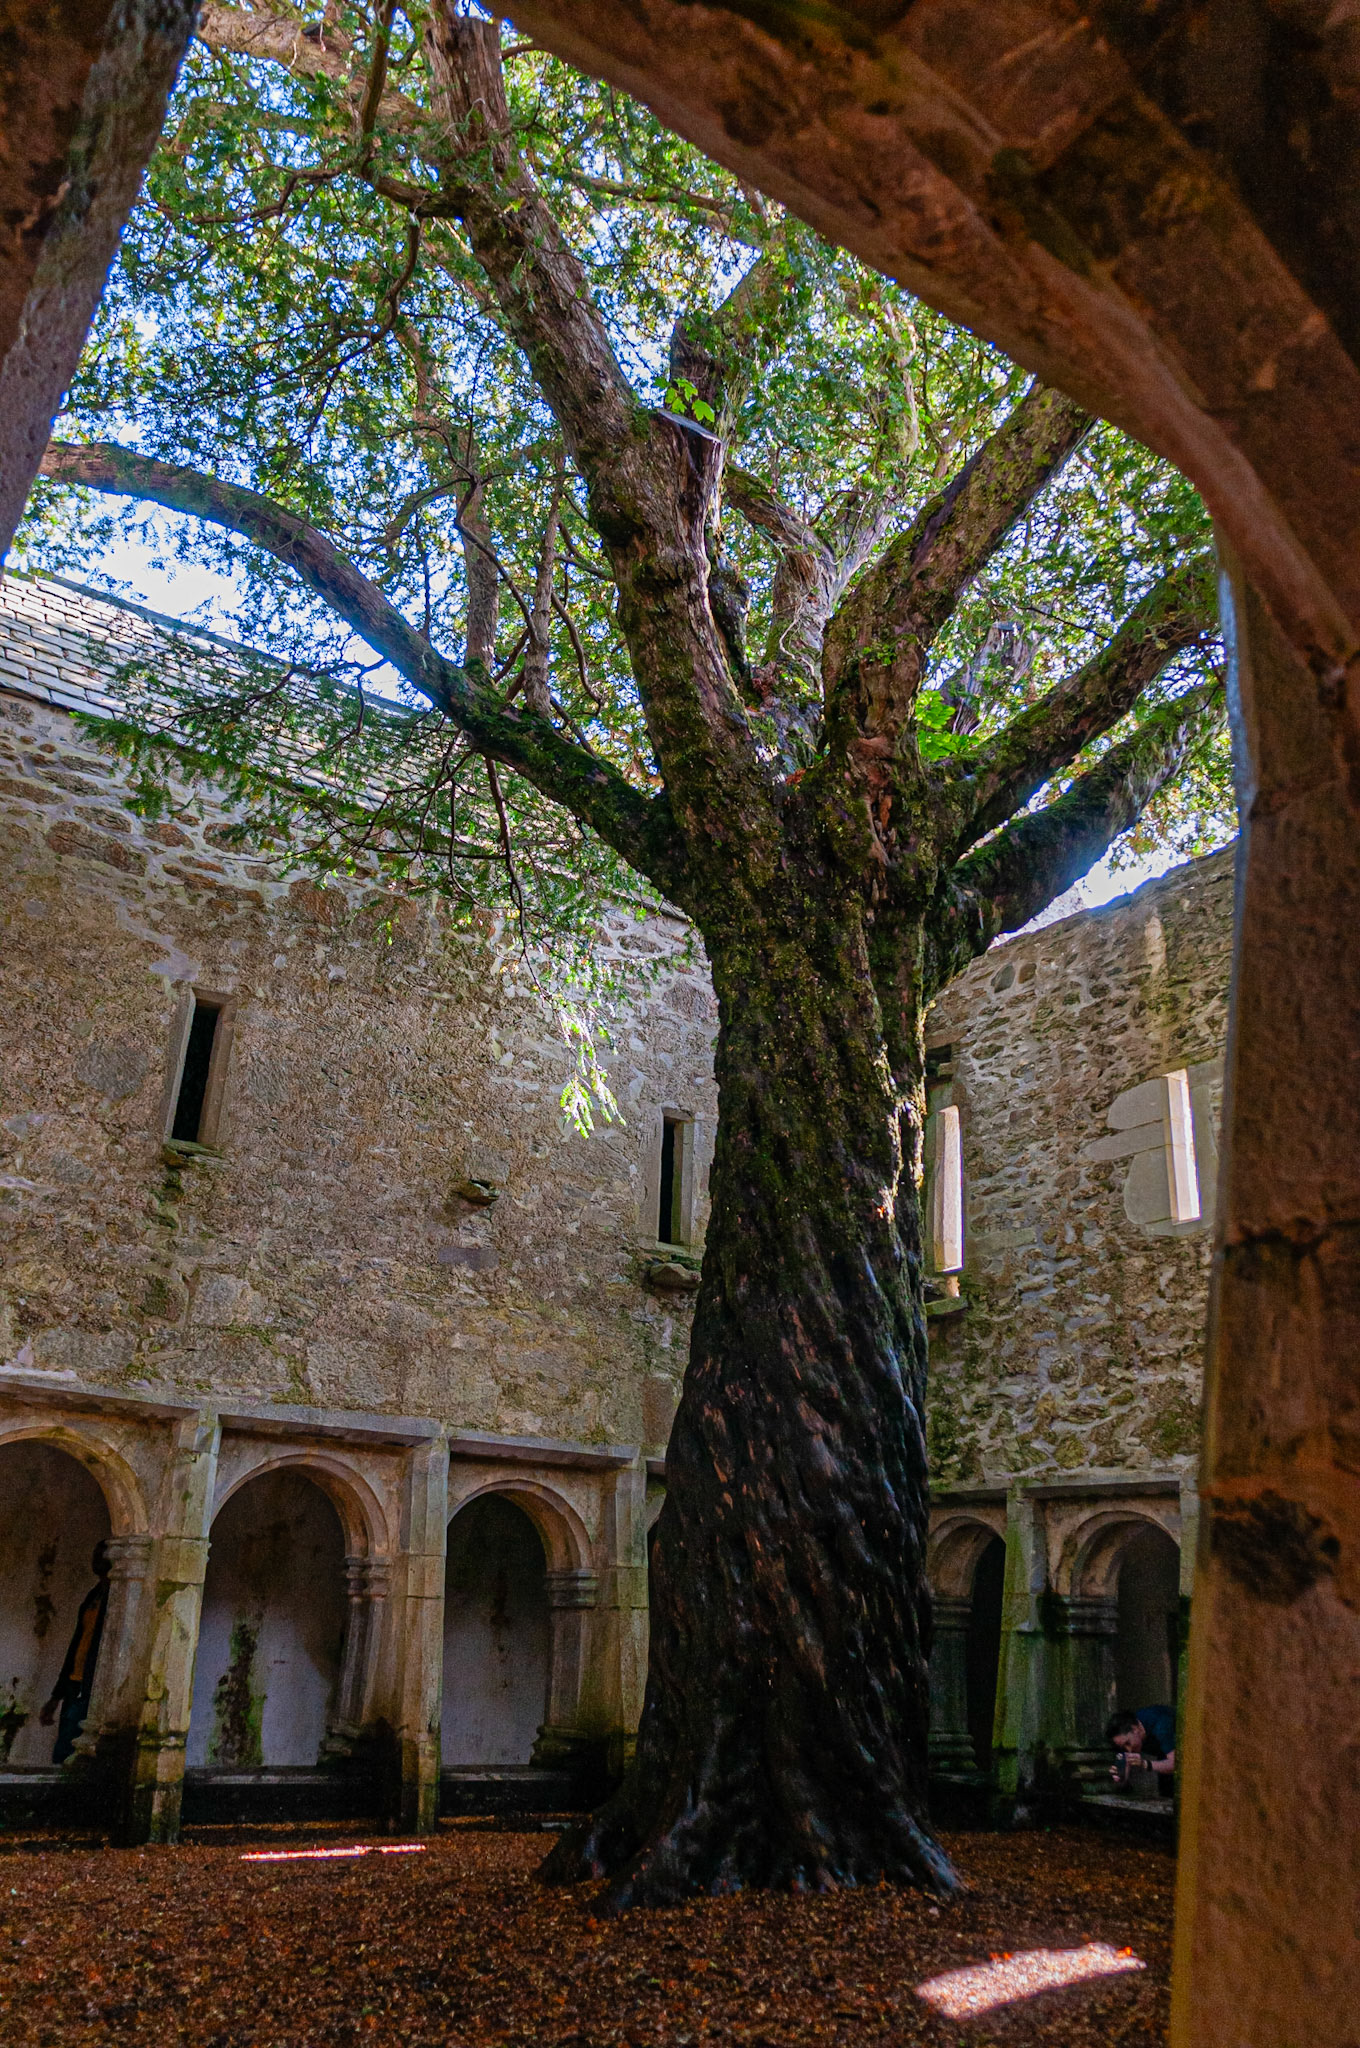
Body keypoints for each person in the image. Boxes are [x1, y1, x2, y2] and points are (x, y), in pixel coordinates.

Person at [38, 1541, 111, 1764]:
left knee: (67, 1751)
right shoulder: (94, 1596)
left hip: (90, 1687)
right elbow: (78, 1644)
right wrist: (56, 1696)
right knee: (65, 1747)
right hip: (74, 1683)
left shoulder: (115, 1598)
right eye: (96, 1554)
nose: (96, 1560)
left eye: (102, 1555)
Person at [1107, 1704, 1176, 1785]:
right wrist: (1119, 1776)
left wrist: (1145, 1764)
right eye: (1124, 1747)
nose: (1129, 1750)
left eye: (1128, 1743)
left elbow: (1176, 1764)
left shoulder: (1161, 1725)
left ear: (1135, 1729)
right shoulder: (1128, 1734)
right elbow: (1122, 1778)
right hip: (1164, 1753)